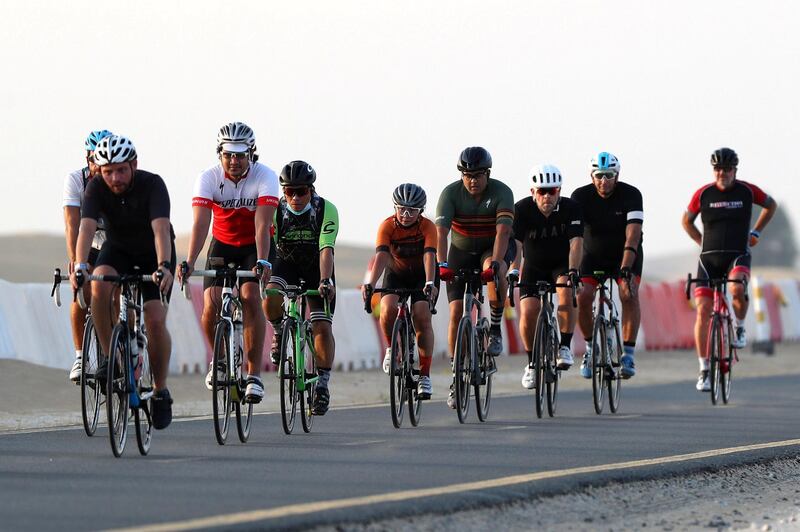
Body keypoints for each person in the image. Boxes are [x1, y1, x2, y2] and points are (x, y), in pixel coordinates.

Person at [70, 135, 176, 429]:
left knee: (154, 320)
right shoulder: (95, 188)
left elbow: (160, 231)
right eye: (108, 172)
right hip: (118, 250)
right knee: (99, 284)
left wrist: (165, 267)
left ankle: (160, 390)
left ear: (133, 165)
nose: (114, 178)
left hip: (154, 252)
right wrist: (79, 266)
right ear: (99, 172)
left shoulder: (152, 184)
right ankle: (110, 359)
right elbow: (86, 228)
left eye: (121, 170)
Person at [177, 122, 277, 403]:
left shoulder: (264, 176)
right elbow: (200, 224)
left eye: (240, 155)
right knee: (210, 303)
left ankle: (253, 374)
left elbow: (262, 225)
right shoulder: (208, 178)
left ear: (251, 154)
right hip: (222, 244)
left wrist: (261, 261)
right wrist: (189, 261)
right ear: (219, 153)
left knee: (249, 296)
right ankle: (219, 360)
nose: (234, 161)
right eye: (228, 154)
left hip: (253, 246)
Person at [681, 147, 777, 392]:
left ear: (735, 170)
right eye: (717, 169)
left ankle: (740, 326)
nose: (722, 173)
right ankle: (704, 370)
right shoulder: (703, 194)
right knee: (702, 310)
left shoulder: (747, 191)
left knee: (736, 288)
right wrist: (700, 241)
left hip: (738, 255)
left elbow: (770, 205)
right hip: (708, 259)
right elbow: (686, 221)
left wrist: (756, 232)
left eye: (727, 169)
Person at [435, 146, 515, 408]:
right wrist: (442, 263)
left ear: (487, 174)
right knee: (457, 311)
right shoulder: (450, 193)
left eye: (478, 175)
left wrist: (495, 264)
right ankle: (456, 374)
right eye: (467, 175)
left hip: (491, 247)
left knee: (495, 268)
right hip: (461, 250)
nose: (472, 180)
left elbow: (503, 233)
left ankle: (494, 328)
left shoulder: (501, 192)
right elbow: (441, 232)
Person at [263, 161, 339, 415]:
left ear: (311, 190)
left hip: (317, 265)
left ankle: (323, 385)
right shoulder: (274, 210)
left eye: (301, 192)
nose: (295, 197)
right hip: (286, 263)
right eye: (289, 192)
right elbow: (267, 245)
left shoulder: (325, 209)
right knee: (271, 295)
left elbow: (326, 248)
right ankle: (277, 332)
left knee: (321, 325)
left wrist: (325, 280)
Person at [362, 183, 439, 399]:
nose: (405, 215)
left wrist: (430, 283)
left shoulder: (427, 227)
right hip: (396, 272)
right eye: (401, 209)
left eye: (412, 210)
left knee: (422, 316)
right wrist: (370, 282)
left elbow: (429, 256)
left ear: (420, 211)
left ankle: (424, 375)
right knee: (386, 309)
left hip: (424, 274)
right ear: (394, 207)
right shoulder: (387, 226)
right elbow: (382, 256)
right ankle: (391, 349)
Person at [510, 165, 583, 389]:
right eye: (542, 191)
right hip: (534, 266)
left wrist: (573, 270)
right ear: (533, 192)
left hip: (561, 265)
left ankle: (564, 346)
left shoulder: (572, 208)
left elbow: (576, 243)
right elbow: (517, 245)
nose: (547, 196)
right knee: (529, 310)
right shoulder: (521, 209)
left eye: (552, 191)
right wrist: (513, 270)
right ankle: (532, 363)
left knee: (565, 290)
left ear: (559, 191)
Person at [572, 152, 643, 380]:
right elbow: (574, 236)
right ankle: (591, 348)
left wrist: (625, 268)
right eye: (599, 176)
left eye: (609, 175)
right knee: (582, 297)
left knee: (628, 293)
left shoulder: (631, 194)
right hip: (592, 256)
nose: (604, 181)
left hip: (625, 255)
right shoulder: (579, 196)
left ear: (617, 175)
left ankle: (628, 354)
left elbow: (632, 235)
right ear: (592, 176)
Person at [64, 129, 113, 382]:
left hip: (115, 241)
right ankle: (81, 356)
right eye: (94, 159)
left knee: (114, 290)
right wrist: (75, 261)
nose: (99, 165)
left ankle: (120, 346)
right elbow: (72, 224)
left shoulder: (118, 178)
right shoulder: (76, 180)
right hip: (90, 240)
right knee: (80, 289)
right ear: (87, 159)